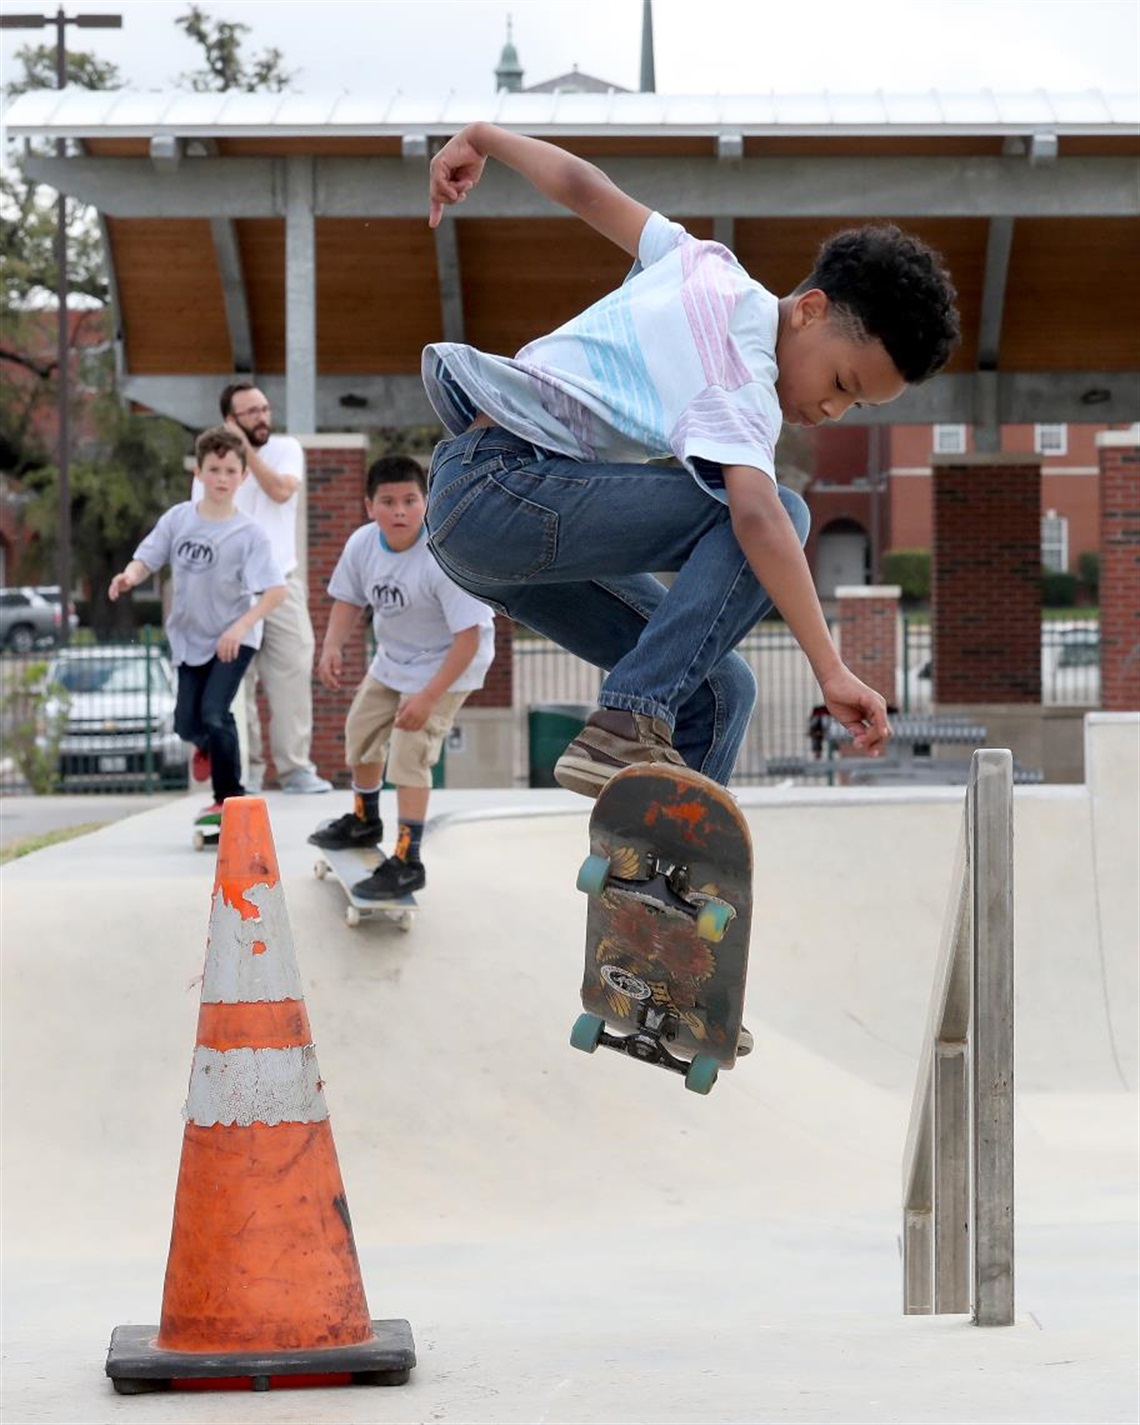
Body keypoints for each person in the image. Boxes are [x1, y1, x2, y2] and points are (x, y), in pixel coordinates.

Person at [421, 123, 961, 798]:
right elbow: (759, 520)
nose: (832, 411)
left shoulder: (703, 262)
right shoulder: (744, 380)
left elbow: (588, 190)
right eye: (842, 384)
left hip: (481, 520)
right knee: (777, 512)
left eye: (857, 407)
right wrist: (832, 670)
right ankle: (627, 719)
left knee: (722, 689)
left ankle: (661, 872)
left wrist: (485, 137)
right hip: (504, 489)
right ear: (810, 311)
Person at [308, 455, 495, 900]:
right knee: (361, 730)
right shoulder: (362, 545)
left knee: (410, 753)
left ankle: (408, 860)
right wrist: (331, 645)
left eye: (410, 501)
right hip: (395, 659)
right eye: (388, 502)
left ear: (425, 504)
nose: (399, 512)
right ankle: (363, 819)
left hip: (450, 664)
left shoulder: (443, 556)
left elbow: (467, 641)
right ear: (369, 506)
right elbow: (348, 600)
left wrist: (428, 698)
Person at [110, 425, 286, 814]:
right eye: (213, 470)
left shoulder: (249, 534)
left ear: (243, 477)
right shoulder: (179, 519)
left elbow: (276, 591)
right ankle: (205, 746)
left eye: (229, 472)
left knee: (214, 712)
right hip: (189, 638)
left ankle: (229, 798)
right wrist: (130, 576)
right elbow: (149, 556)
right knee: (185, 725)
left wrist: (240, 629)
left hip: (234, 638)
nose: (221, 479)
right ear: (199, 473)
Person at [190, 381, 331, 794]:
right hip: (230, 590)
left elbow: (281, 490)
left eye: (265, 409)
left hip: (280, 582)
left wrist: (245, 450)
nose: (262, 417)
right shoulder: (212, 465)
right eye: (251, 412)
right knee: (237, 683)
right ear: (230, 419)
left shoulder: (286, 449)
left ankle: (295, 769)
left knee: (291, 672)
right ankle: (244, 772)